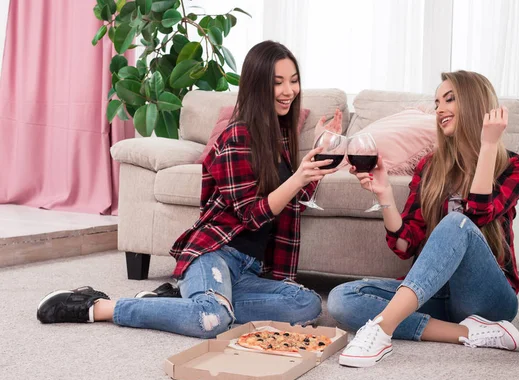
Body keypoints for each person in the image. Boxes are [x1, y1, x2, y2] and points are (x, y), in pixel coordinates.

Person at [36, 40, 343, 338]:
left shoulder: (279, 138)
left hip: (250, 271)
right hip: (215, 255)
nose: (289, 91)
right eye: (278, 82)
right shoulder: (237, 135)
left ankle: (181, 302)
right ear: (258, 85)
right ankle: (99, 306)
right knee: (209, 321)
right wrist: (298, 176)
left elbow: (294, 199)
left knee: (306, 305)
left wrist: (321, 151)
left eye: (294, 81)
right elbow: (252, 215)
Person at [327, 70, 519, 368]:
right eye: (437, 103)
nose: (440, 110)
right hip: (437, 294)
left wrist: (487, 146)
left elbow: (477, 215)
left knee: (456, 221)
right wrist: (384, 196)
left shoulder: (513, 165)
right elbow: (405, 245)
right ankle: (467, 333)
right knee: (342, 298)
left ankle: (381, 330)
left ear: (475, 104)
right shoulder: (429, 166)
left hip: (488, 298)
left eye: (449, 99)